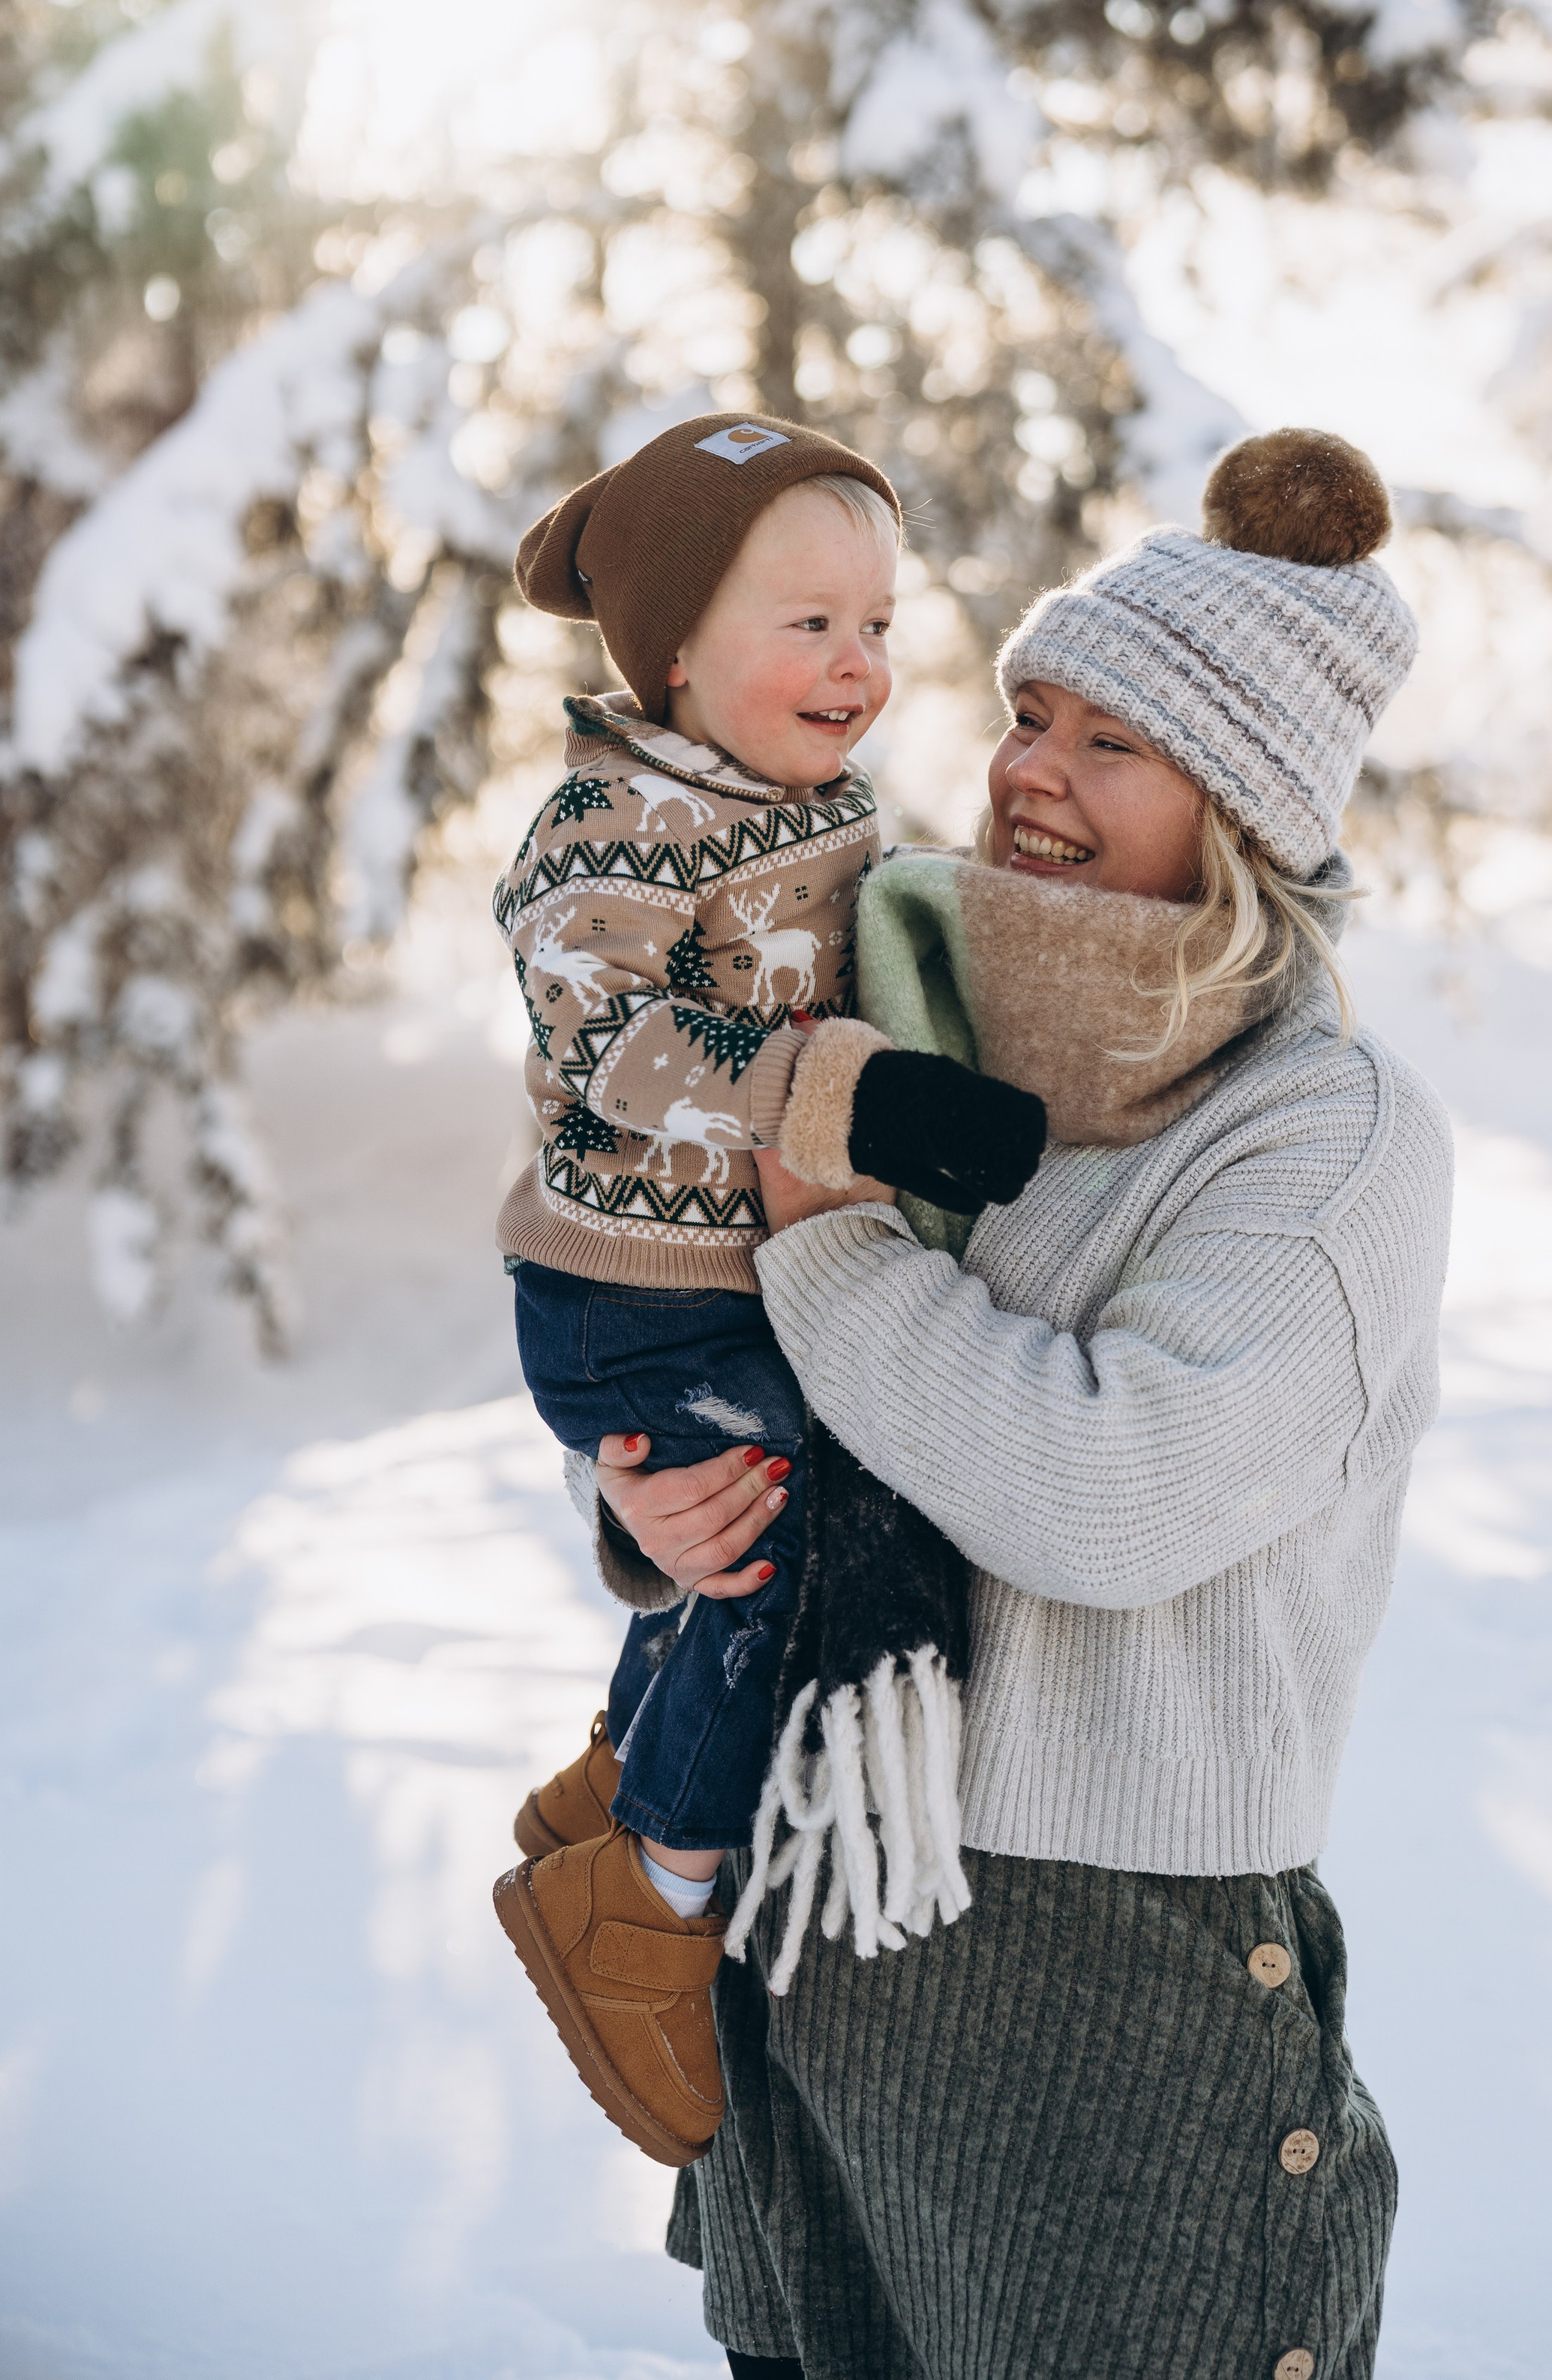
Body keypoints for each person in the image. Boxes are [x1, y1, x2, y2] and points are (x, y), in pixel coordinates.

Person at [557, 425, 1454, 2380]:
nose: (1028, 766)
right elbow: (749, 1366)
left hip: (1106, 1996)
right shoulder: (909, 1025)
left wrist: (829, 1245)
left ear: (1242, 805)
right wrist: (656, 1502)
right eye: (1033, 710)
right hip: (816, 1909)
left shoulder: (1320, 1137)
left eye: (1109, 741)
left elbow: (1107, 1490)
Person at [489, 412, 1043, 2169]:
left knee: (749, 1542)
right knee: (766, 1554)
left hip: (717, 1288)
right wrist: (856, 1098)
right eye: (806, 622)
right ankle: (647, 1893)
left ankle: (610, 1785)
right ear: (669, 650)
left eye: (875, 623)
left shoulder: (806, 809)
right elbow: (617, 1048)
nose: (855, 663)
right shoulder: (606, 826)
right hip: (626, 1293)